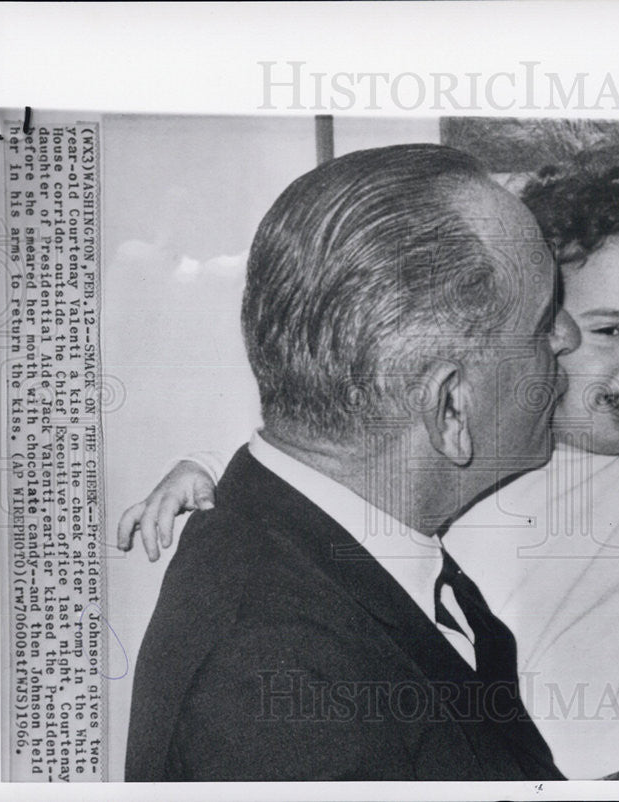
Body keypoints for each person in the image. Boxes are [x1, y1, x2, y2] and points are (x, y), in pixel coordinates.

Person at [122, 154, 619, 779]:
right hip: (504, 748)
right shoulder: (488, 448)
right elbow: (339, 423)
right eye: (607, 329)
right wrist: (206, 464)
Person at [122, 144, 580, 781]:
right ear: (451, 410)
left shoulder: (334, 549)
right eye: (540, 323)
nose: (569, 338)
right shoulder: (278, 692)